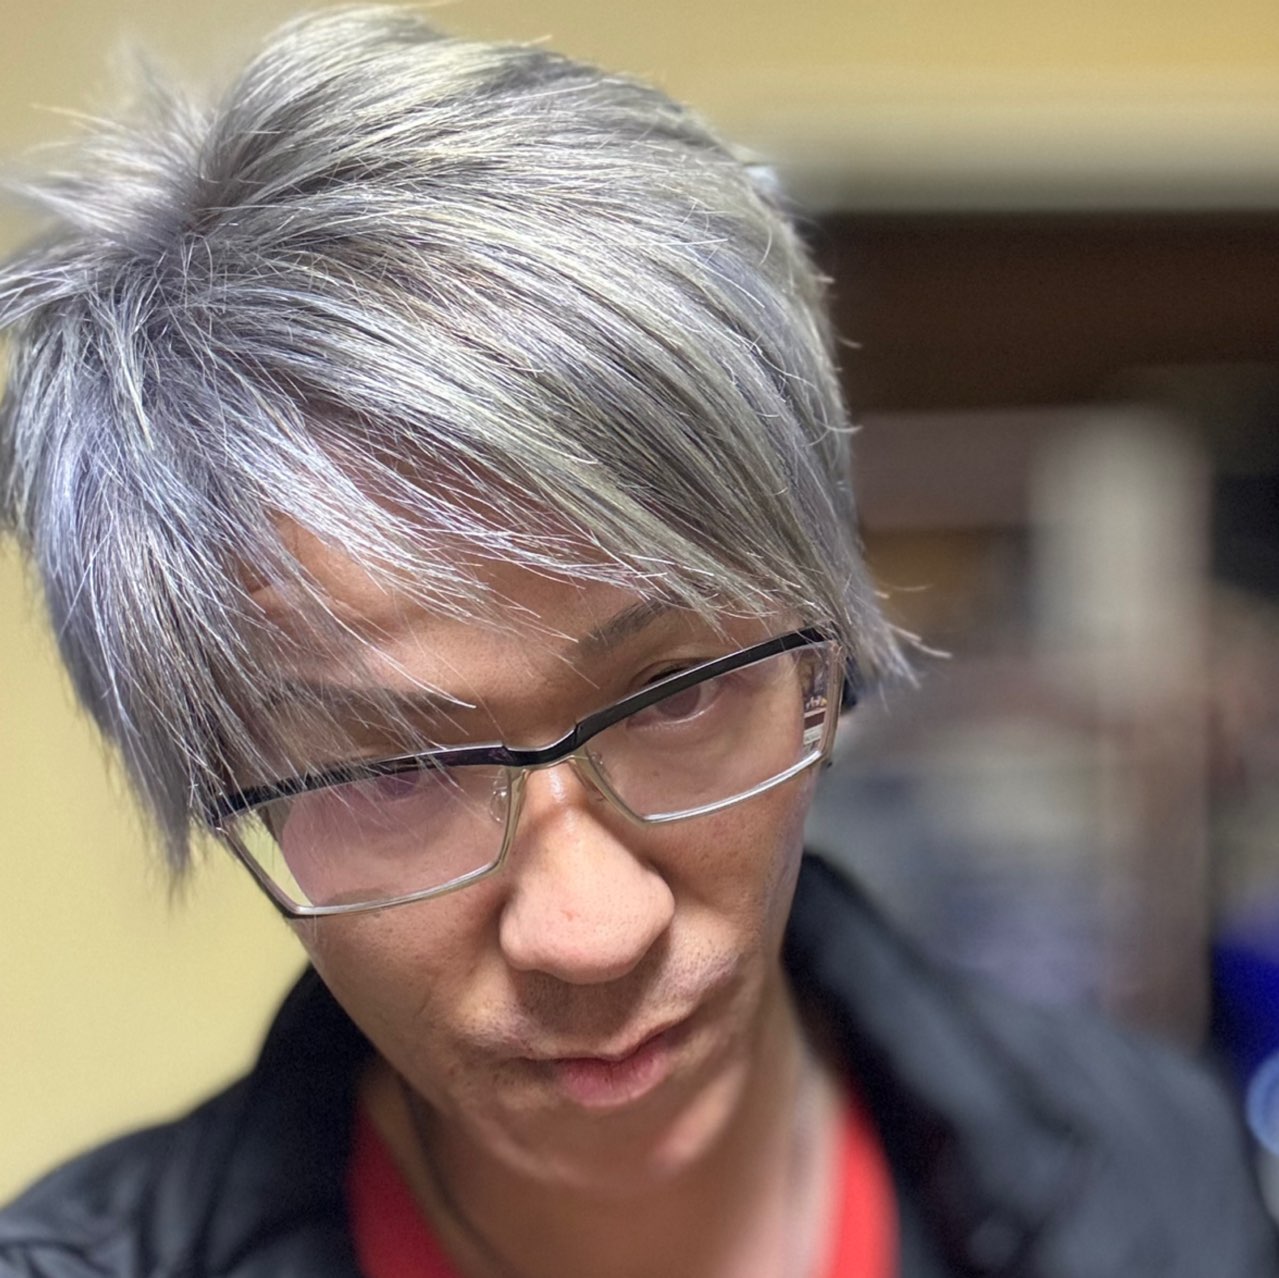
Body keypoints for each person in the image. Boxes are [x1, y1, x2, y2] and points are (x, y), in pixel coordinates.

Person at [0, 9, 1273, 1276]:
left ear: (825, 644)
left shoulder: (1151, 1177)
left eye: (678, 693)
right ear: (231, 789)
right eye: (398, 771)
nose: (592, 931)